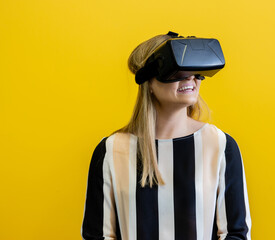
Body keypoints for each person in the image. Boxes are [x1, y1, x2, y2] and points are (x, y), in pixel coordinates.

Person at [81, 31, 252, 240]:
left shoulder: (220, 145)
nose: (190, 77)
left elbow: (236, 233)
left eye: (194, 70)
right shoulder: (111, 150)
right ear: (148, 82)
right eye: (177, 71)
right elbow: (97, 235)